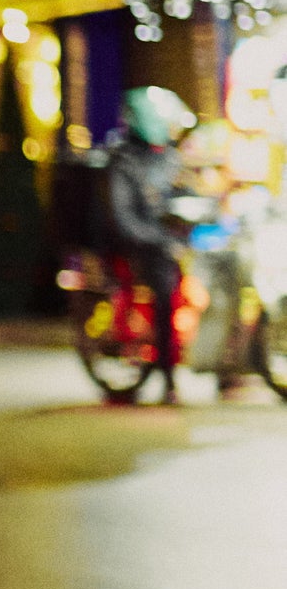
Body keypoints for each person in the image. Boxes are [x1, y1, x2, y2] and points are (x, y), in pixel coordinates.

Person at [106, 88, 192, 404]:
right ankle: (168, 376)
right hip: (141, 249)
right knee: (164, 295)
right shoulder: (125, 161)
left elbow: (183, 194)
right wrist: (161, 240)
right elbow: (125, 219)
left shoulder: (169, 157)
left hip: (171, 243)